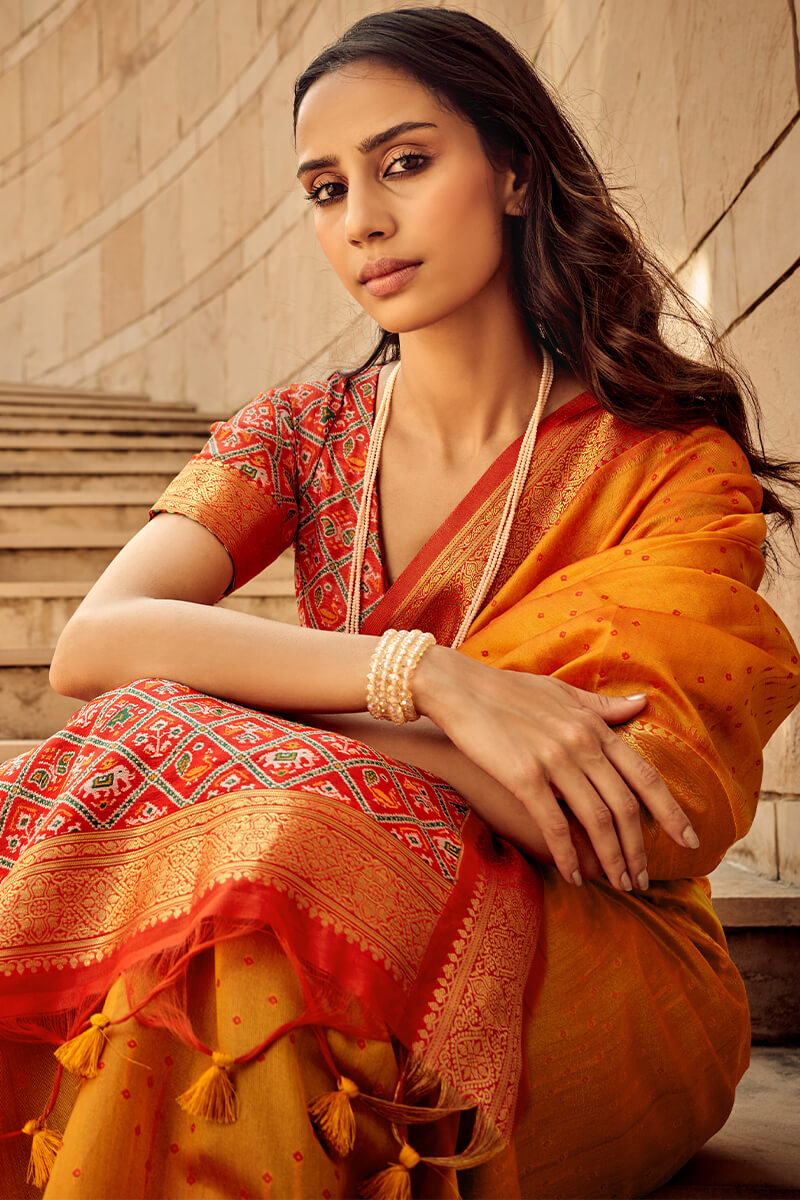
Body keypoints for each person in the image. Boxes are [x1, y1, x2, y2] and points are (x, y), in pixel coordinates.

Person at [1, 7, 799, 1198]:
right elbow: (100, 643)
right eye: (324, 189)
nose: (362, 219)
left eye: (404, 164)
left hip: (598, 962)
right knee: (197, 804)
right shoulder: (303, 435)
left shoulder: (666, 461)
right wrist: (431, 682)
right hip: (307, 865)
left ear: (516, 172)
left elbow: (633, 819)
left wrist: (279, 730)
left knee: (222, 795)